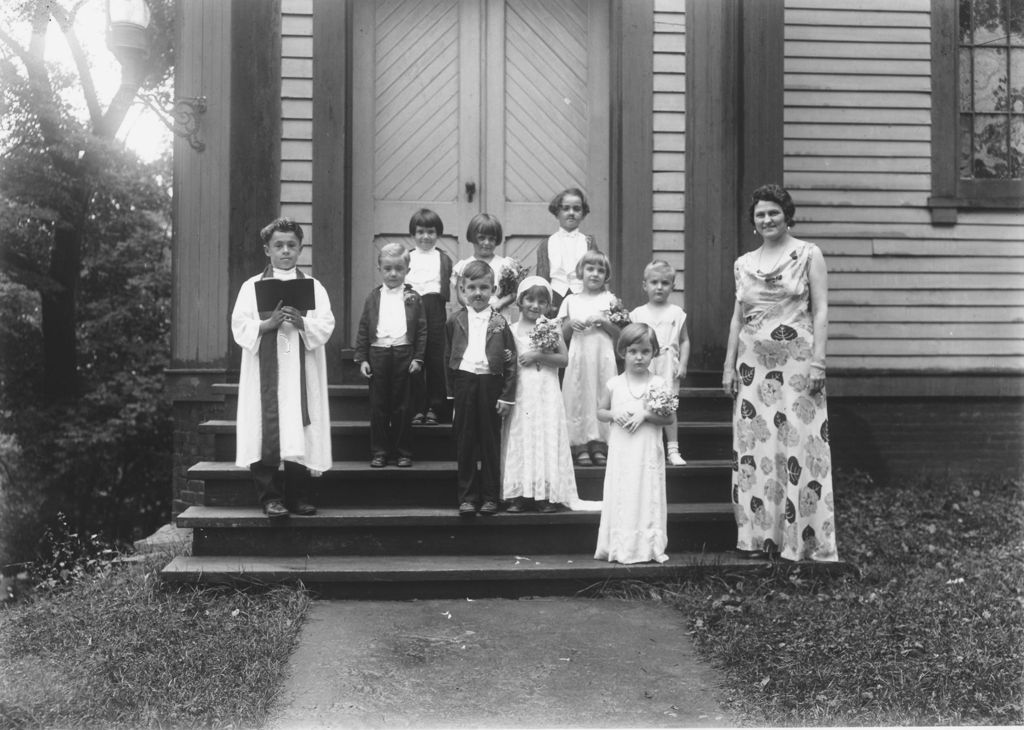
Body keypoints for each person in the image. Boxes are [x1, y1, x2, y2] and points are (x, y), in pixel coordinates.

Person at [722, 183, 838, 562]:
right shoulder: (743, 263)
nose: (767, 219)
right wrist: (728, 366)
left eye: (774, 212)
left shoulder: (808, 254)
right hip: (753, 367)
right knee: (757, 448)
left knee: (798, 445)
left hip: (797, 365)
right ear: (753, 222)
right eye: (760, 214)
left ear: (787, 215)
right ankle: (760, 539)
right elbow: (738, 317)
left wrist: (818, 362)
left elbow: (820, 310)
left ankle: (801, 541)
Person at [231, 218, 335, 519]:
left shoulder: (313, 287)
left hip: (301, 370)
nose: (286, 251)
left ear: (301, 248)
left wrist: (302, 321)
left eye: (292, 245)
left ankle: (299, 496)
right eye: (279, 245)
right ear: (267, 249)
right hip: (265, 370)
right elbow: (239, 326)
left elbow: (326, 324)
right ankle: (270, 497)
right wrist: (267, 324)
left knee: (299, 429)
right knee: (265, 428)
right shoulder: (251, 287)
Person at [594, 323, 672, 564]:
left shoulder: (658, 384)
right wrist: (614, 414)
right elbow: (600, 412)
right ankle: (618, 545)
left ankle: (647, 546)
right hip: (623, 449)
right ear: (623, 353)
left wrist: (646, 415)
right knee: (623, 492)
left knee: (646, 492)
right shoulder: (614, 384)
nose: (639, 357)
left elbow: (668, 417)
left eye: (645, 352)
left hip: (646, 449)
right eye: (633, 351)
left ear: (654, 353)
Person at [445, 260, 517, 516]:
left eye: (484, 288)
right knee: (465, 441)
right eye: (472, 287)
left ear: (494, 289)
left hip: (490, 383)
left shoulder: (499, 322)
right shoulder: (455, 320)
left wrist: (507, 396)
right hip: (464, 382)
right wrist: (451, 392)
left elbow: (511, 361)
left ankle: (490, 496)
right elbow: (447, 357)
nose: (478, 293)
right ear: (462, 289)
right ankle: (467, 497)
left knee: (489, 440)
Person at [501, 276, 578, 513]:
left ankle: (546, 495)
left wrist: (538, 356)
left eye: (542, 302)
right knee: (522, 436)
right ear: (520, 301)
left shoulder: (551, 326)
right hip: (523, 392)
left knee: (544, 435)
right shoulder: (510, 329)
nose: (535, 306)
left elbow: (564, 359)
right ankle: (519, 495)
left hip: (545, 391)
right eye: (530, 299)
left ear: (549, 306)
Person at [354, 242, 427, 468]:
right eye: (388, 268)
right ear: (380, 270)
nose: (393, 273)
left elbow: (423, 329)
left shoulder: (414, 297)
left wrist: (418, 357)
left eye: (398, 269)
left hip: (404, 353)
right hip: (378, 354)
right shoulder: (373, 297)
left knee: (403, 406)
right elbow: (364, 326)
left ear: (407, 270)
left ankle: (403, 451)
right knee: (379, 406)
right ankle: (380, 451)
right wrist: (362, 358)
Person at [557, 249, 622, 466]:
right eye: (590, 269)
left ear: (606, 275)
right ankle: (580, 445)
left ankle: (599, 444)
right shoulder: (570, 300)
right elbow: (560, 336)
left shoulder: (610, 299)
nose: (594, 274)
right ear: (580, 272)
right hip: (579, 357)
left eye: (600, 270)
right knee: (578, 396)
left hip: (602, 356)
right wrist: (570, 325)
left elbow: (621, 334)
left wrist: (604, 323)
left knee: (601, 395)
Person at [631, 260, 691, 466]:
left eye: (665, 283)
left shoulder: (676, 312)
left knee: (668, 406)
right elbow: (632, 342)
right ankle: (645, 448)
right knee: (643, 403)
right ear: (644, 285)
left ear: (673, 286)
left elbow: (684, 340)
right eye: (654, 282)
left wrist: (682, 364)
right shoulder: (638, 313)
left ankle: (673, 450)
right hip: (645, 364)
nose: (659, 287)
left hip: (667, 363)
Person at [405, 208, 453, 425]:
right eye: (421, 232)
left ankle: (436, 406)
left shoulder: (443, 258)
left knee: (435, 358)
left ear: (438, 233)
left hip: (435, 308)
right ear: (413, 234)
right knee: (415, 357)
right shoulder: (407, 257)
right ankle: (417, 407)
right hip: (412, 308)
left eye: (431, 232)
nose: (426, 237)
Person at [535, 187, 598, 315]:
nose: (571, 213)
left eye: (576, 209)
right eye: (566, 208)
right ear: (557, 212)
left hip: (583, 297)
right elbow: (542, 279)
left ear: (583, 213)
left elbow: (595, 273)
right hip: (554, 299)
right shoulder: (547, 244)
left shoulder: (588, 243)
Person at [451, 213, 515, 313]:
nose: (486, 243)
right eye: (481, 238)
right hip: (473, 315)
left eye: (491, 239)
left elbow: (512, 294)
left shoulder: (505, 265)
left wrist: (499, 304)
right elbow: (461, 296)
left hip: (498, 314)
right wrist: (474, 306)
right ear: (472, 237)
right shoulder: (463, 266)